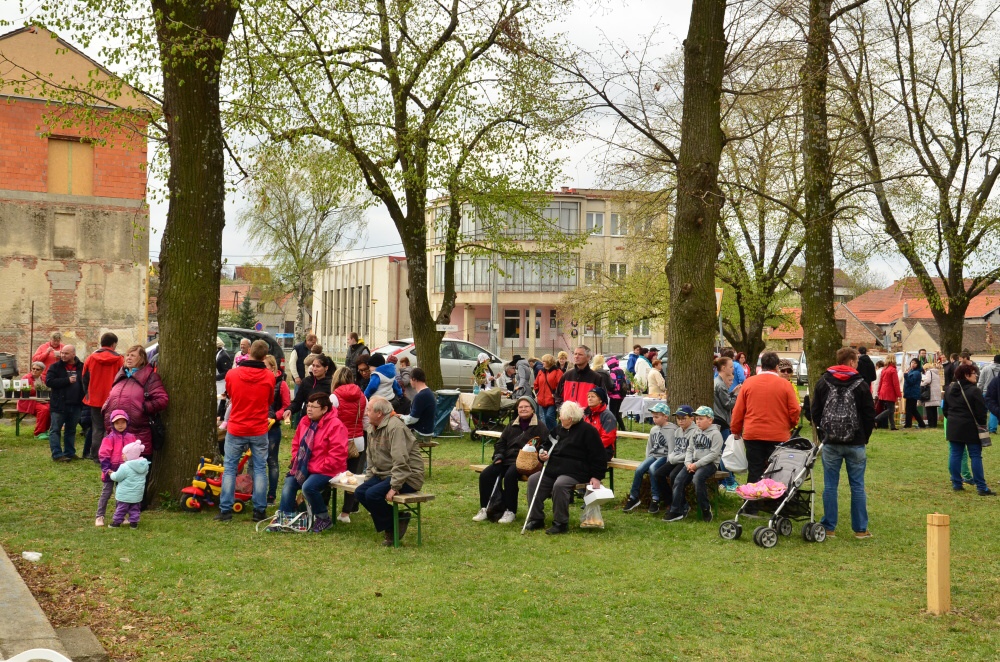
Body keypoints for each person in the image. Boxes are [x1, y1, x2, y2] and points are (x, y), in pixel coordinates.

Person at [810, 347, 876, 539]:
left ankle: (829, 526)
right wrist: (864, 436)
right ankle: (860, 529)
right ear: (852, 362)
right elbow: (869, 414)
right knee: (857, 485)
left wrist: (824, 432)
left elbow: (815, 411)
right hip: (856, 441)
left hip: (831, 441)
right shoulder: (861, 384)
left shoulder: (823, 381)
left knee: (830, 485)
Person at [730, 351, 800, 515]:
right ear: (776, 366)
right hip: (778, 434)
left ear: (762, 366)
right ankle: (775, 505)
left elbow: (738, 409)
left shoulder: (749, 383)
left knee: (755, 470)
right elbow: (795, 409)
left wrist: (736, 429)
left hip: (753, 433)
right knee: (777, 471)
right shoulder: (785, 385)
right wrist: (790, 425)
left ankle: (751, 506)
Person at [268, 392, 349, 533]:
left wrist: (314, 467)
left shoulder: (335, 425)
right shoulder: (305, 422)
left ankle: (323, 518)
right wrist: (297, 460)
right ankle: (285, 518)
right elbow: (296, 444)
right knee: (290, 482)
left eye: (313, 407)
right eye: (308, 406)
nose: (309, 409)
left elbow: (338, 454)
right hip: (306, 466)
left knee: (308, 486)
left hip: (328, 469)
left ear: (324, 409)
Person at [524, 401, 607, 535]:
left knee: (560, 484)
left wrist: (596, 476)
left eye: (562, 416)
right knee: (533, 480)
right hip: (553, 469)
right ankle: (536, 518)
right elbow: (546, 445)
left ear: (570, 419)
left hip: (576, 471)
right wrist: (542, 454)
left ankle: (560, 523)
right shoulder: (558, 429)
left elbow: (599, 456)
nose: (559, 418)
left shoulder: (588, 431)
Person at [217, 339, 275, 523]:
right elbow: (269, 400)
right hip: (258, 428)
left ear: (249, 351)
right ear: (265, 356)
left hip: (237, 426)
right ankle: (259, 510)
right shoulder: (269, 377)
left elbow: (230, 395)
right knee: (260, 468)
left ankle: (225, 510)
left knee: (230, 468)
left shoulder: (232, 374)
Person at [355, 396, 425, 546]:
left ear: (379, 413)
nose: (366, 413)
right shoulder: (372, 427)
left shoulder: (395, 428)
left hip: (408, 476)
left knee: (372, 494)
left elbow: (401, 461)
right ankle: (396, 520)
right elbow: (371, 458)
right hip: (384, 474)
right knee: (361, 492)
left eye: (368, 410)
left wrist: (395, 486)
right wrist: (368, 480)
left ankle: (392, 528)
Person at [473, 395, 549, 524]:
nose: (523, 409)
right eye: (520, 407)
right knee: (486, 475)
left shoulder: (540, 427)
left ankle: (510, 510)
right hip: (505, 459)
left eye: (526, 407)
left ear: (532, 409)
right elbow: (500, 443)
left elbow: (546, 445)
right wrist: (498, 456)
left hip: (523, 462)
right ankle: (486, 507)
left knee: (510, 476)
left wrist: (540, 454)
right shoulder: (511, 425)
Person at [102, 345, 169, 461]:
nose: (128, 358)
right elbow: (112, 395)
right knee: (118, 469)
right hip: (117, 435)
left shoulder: (150, 377)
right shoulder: (121, 376)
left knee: (136, 470)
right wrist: (105, 408)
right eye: (127, 355)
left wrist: (143, 408)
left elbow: (162, 399)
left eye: (133, 355)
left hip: (138, 436)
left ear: (142, 359)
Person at [662, 406, 724, 523]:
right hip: (693, 463)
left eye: (701, 419)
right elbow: (690, 449)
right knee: (678, 479)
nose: (698, 421)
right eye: (697, 419)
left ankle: (705, 508)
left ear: (710, 420)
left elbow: (713, 454)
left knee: (697, 478)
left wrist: (696, 465)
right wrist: (688, 463)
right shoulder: (696, 432)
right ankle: (677, 510)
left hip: (709, 464)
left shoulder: (716, 434)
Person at [942, 363, 994, 496]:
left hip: (954, 426)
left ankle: (956, 483)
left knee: (955, 454)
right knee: (975, 455)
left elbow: (945, 409)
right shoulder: (974, 391)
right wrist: (981, 425)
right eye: (974, 373)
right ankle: (981, 487)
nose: (976, 375)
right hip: (971, 427)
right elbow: (981, 412)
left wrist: (952, 419)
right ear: (966, 375)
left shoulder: (949, 389)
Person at [623, 402, 676, 514]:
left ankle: (655, 498)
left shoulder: (672, 430)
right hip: (653, 455)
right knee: (639, 469)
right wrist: (647, 459)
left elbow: (672, 448)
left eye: (657, 417)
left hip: (664, 457)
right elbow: (649, 446)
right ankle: (633, 497)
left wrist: (669, 462)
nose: (654, 419)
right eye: (653, 417)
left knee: (653, 469)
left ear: (665, 417)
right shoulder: (653, 430)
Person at [331, 367, 368, 523]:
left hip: (338, 442)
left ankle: (325, 506)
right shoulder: (362, 396)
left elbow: (330, 421)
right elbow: (366, 421)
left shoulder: (334, 397)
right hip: (357, 441)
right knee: (352, 478)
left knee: (330, 475)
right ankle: (346, 512)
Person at [82, 332, 124, 462]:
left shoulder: (91, 358)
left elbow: (84, 378)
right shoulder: (119, 359)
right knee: (111, 428)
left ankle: (96, 455)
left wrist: (88, 394)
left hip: (95, 399)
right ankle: (109, 455)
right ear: (114, 344)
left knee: (97, 428)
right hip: (113, 399)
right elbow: (123, 379)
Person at [95, 409, 137, 527]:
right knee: (106, 493)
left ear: (127, 423)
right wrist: (107, 470)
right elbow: (103, 455)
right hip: (110, 470)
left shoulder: (131, 437)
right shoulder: (109, 438)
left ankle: (120, 516)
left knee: (122, 494)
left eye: (123, 422)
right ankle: (99, 516)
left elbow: (135, 453)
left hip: (125, 471)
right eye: (117, 423)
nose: (120, 425)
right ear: (112, 424)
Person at [653, 405, 697, 516]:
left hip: (687, 461)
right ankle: (671, 502)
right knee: (658, 474)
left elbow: (692, 453)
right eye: (678, 418)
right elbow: (676, 449)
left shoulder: (695, 432)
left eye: (684, 418)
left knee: (673, 476)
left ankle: (681, 505)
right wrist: (672, 457)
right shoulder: (678, 431)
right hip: (676, 459)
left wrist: (675, 458)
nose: (680, 421)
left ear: (691, 418)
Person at [45, 345, 85, 462]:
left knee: (71, 430)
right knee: (55, 430)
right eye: (62, 353)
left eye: (66, 353)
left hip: (76, 404)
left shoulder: (81, 367)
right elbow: (49, 382)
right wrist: (67, 380)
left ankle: (70, 453)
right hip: (59, 404)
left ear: (73, 354)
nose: (63, 355)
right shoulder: (55, 367)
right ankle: (57, 454)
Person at [263, 355, 291, 505]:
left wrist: (274, 417)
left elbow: (286, 406)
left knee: (272, 461)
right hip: (257, 427)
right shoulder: (260, 381)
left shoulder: (281, 384)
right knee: (255, 462)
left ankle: (271, 495)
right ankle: (253, 492)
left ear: (273, 367)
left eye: (265, 366)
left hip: (272, 427)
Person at [713, 356, 741, 492]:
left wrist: (732, 392)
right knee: (725, 452)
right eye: (730, 367)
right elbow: (728, 404)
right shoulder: (720, 384)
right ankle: (730, 482)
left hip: (719, 419)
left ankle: (725, 481)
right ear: (723, 368)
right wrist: (737, 395)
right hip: (721, 421)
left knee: (722, 451)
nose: (732, 369)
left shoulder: (718, 383)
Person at [554, 345, 612, 410]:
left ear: (588, 357)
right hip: (567, 415)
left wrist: (589, 412)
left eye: (580, 354)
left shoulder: (596, 378)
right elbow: (557, 395)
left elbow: (603, 399)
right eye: (575, 354)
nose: (576, 356)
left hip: (588, 415)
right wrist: (563, 409)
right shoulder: (567, 375)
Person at [108, 440, 149, 528]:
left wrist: (111, 474)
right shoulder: (144, 465)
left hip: (125, 494)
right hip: (137, 494)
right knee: (135, 509)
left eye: (124, 454)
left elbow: (117, 477)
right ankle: (134, 523)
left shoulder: (125, 466)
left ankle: (116, 522)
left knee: (121, 509)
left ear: (130, 455)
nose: (122, 455)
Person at [285, 354, 334, 426]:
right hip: (306, 421)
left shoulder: (331, 384)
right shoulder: (306, 382)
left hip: (324, 423)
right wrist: (290, 409)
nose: (314, 369)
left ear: (326, 368)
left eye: (318, 366)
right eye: (313, 365)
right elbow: (297, 401)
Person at [17, 362, 51, 439]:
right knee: (43, 410)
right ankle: (38, 433)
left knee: (51, 408)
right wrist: (34, 388)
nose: (34, 370)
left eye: (37, 369)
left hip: (41, 400)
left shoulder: (43, 378)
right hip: (28, 401)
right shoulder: (26, 378)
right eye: (33, 368)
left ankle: (45, 430)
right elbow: (23, 392)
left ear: (42, 371)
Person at [584, 387, 617, 461]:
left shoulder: (607, 416)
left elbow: (608, 438)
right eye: (588, 397)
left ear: (600, 400)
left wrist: (591, 448)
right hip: (587, 448)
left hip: (604, 449)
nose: (590, 399)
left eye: (593, 396)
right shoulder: (586, 414)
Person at [533, 354, 563, 431]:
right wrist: (537, 392)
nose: (542, 362)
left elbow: (561, 385)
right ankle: (551, 433)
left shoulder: (558, 372)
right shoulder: (541, 372)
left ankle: (557, 431)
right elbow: (536, 383)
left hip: (552, 399)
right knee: (546, 418)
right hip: (542, 399)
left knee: (549, 416)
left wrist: (555, 394)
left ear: (549, 362)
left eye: (544, 361)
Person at [403, 368, 435, 435]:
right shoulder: (428, 392)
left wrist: (401, 417)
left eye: (410, 380)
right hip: (427, 430)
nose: (410, 382)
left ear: (414, 379)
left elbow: (413, 419)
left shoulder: (420, 396)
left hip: (420, 433)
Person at [874, 356, 902, 430]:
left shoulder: (884, 369)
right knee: (891, 409)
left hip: (883, 391)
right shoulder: (893, 370)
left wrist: (879, 391)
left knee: (890, 409)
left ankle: (893, 426)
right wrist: (899, 394)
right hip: (890, 392)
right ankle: (876, 419)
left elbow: (880, 382)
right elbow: (896, 384)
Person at [977, 355, 1000, 434]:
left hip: (985, 391)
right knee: (994, 410)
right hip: (997, 392)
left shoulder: (986, 368)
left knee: (983, 411)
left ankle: (982, 427)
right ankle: (992, 428)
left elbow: (981, 381)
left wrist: (978, 391)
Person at [604, 356, 628, 430]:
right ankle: (623, 429)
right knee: (617, 413)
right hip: (621, 394)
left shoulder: (613, 372)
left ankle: (613, 429)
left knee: (612, 413)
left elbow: (613, 384)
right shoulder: (621, 370)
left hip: (614, 395)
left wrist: (609, 391)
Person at [902, 359, 926, 429]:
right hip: (909, 392)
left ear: (917, 365)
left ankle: (908, 424)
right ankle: (921, 423)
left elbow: (911, 382)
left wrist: (905, 375)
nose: (913, 364)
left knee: (909, 409)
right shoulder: (911, 371)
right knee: (913, 409)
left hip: (912, 393)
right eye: (912, 362)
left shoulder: (917, 373)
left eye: (915, 363)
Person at [920, 360, 942, 429]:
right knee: (934, 409)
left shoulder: (929, 372)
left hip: (930, 393)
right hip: (936, 392)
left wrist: (921, 384)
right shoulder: (936, 373)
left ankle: (930, 424)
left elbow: (928, 381)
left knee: (929, 409)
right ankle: (934, 424)